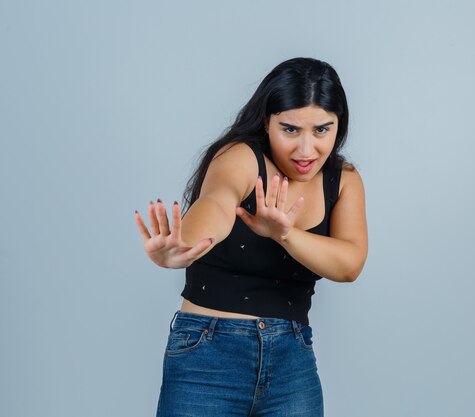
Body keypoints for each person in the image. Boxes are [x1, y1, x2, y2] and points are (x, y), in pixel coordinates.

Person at [134, 57, 368, 417]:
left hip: (292, 361)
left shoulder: (345, 179)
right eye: (290, 130)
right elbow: (217, 202)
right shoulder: (241, 158)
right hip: (208, 355)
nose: (307, 150)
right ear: (267, 121)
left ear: (339, 126)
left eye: (322, 130)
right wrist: (183, 247)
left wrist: (285, 234)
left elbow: (350, 264)